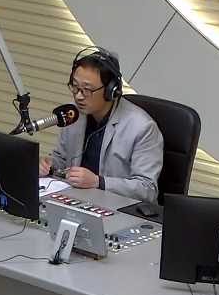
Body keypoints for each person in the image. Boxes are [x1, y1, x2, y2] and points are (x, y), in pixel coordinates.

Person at [40, 46, 164, 203]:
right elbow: (62, 158)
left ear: (111, 91)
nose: (79, 96)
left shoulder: (142, 127)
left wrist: (99, 182)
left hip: (118, 207)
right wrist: (49, 164)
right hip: (76, 200)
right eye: (75, 87)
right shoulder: (73, 113)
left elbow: (147, 189)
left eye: (87, 89)